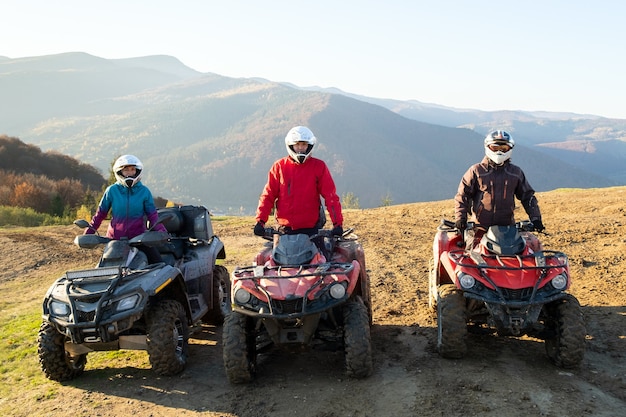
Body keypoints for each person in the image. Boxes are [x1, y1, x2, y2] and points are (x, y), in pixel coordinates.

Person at [254, 126, 344, 257]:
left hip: (312, 232)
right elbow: (268, 195)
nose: (301, 148)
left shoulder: (319, 167)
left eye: (304, 144)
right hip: (284, 232)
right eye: (297, 145)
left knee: (324, 265)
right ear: (291, 146)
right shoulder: (279, 167)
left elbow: (331, 197)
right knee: (274, 268)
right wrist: (260, 221)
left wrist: (337, 224)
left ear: (309, 146)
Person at [454, 130, 544, 249]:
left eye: (503, 148)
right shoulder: (476, 171)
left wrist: (536, 218)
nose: (499, 152)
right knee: (472, 257)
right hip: (480, 228)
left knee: (521, 258)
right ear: (487, 147)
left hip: (508, 230)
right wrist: (461, 219)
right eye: (495, 148)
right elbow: (462, 195)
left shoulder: (515, 173)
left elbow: (527, 197)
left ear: (510, 148)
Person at [85, 154, 167, 264]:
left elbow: (153, 216)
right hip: (115, 241)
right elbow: (100, 214)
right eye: (126, 170)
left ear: (137, 171)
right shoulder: (112, 191)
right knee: (103, 271)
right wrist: (89, 232)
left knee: (160, 265)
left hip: (139, 239)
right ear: (120, 172)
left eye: (132, 169)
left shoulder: (144, 192)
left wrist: (162, 232)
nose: (129, 173)